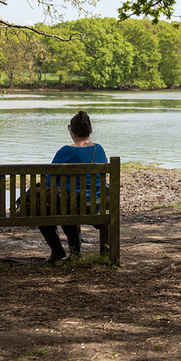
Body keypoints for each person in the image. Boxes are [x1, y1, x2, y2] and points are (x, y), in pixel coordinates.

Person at [40, 110, 108, 263]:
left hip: (74, 203)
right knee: (68, 203)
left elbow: (49, 180)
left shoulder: (66, 151)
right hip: (96, 203)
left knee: (48, 207)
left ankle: (57, 250)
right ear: (88, 130)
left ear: (72, 130)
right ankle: (76, 254)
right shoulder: (99, 149)